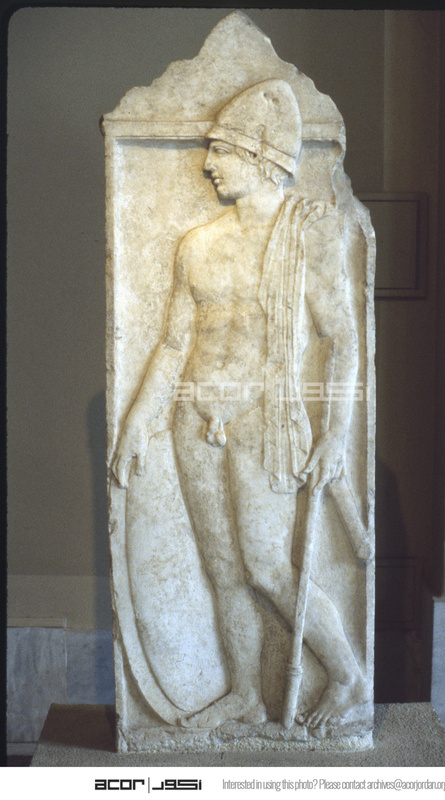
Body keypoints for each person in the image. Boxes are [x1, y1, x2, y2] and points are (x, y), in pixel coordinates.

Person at [112, 79, 369, 730]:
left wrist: (336, 433)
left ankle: (346, 675)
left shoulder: (308, 233)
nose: (207, 164)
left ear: (259, 154)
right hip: (194, 419)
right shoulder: (196, 244)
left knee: (265, 565)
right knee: (223, 569)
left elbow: (341, 339)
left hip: (264, 419)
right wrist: (138, 420)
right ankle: (247, 695)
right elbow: (174, 343)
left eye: (221, 151)